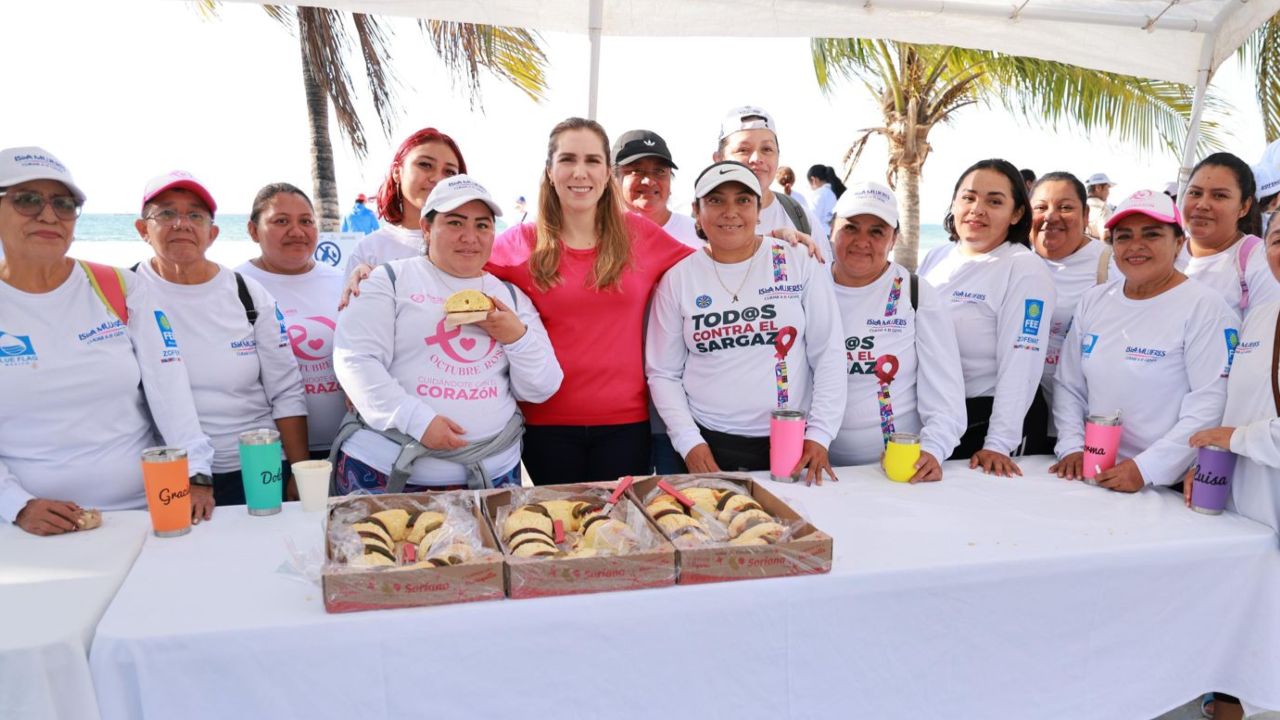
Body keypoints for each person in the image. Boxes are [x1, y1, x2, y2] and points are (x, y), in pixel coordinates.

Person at [0, 147, 214, 534]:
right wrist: (17, 505)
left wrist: (197, 473)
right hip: (26, 528)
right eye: (27, 200)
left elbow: (170, 389)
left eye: (64, 204)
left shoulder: (117, 286)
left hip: (143, 512)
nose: (48, 215)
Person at [487, 118, 696, 484]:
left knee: (616, 535)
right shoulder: (519, 243)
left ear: (607, 173)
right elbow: (451, 270)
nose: (579, 172)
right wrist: (373, 274)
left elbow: (715, 263)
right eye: (567, 159)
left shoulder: (640, 235)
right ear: (550, 171)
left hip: (626, 424)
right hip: (544, 426)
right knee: (561, 535)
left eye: (592, 160)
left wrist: (779, 241)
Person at [332, 176, 562, 491]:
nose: (470, 237)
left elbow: (542, 387)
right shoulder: (387, 280)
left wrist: (516, 338)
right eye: (455, 223)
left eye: (483, 225)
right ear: (426, 228)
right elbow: (355, 361)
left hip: (492, 479)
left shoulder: (510, 296)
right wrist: (418, 421)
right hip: (387, 476)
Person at [647, 161, 846, 484]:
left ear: (758, 209)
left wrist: (820, 434)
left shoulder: (797, 260)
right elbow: (663, 372)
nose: (730, 211)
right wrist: (689, 442)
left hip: (793, 442)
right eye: (715, 200)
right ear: (697, 211)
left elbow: (828, 353)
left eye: (743, 199)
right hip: (708, 443)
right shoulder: (678, 279)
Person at [133, 170, 309, 506]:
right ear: (143, 229)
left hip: (260, 463)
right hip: (169, 471)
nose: (181, 224)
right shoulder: (123, 294)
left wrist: (299, 471)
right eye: (166, 213)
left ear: (212, 233)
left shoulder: (246, 292)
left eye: (195, 215)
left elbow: (286, 388)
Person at [1051, 190, 1234, 492]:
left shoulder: (1205, 308)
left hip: (1165, 485)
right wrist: (1071, 446)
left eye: (1151, 235)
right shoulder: (1094, 300)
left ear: (1178, 243)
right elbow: (1068, 384)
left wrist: (1146, 468)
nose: (1136, 246)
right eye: (1123, 237)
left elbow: (1208, 405)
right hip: (1093, 472)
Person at [918, 158, 1057, 476]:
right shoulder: (936, 257)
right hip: (938, 416)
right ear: (954, 203)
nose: (977, 209)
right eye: (968, 197)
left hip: (990, 421)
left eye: (994, 201)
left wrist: (998, 442)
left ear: (1017, 213)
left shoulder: (1023, 269)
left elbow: (1022, 361)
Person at [826, 182, 966, 477]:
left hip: (893, 469)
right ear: (830, 229)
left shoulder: (916, 293)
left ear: (894, 238)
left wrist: (934, 449)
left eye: (877, 231)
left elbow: (946, 391)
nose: (862, 241)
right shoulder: (808, 287)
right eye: (850, 227)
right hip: (816, 467)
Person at [236, 183, 346, 457]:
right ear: (253, 230)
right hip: (270, 452)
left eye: (306, 221)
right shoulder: (233, 287)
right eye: (281, 221)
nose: (296, 232)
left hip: (347, 446)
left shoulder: (342, 280)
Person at [1029, 171, 1114, 452]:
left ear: (1086, 214)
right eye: (1041, 207)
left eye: (1065, 207)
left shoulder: (1110, 264)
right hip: (1021, 420)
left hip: (1086, 425)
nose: (1051, 216)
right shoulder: (1017, 260)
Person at [345, 127, 465, 275]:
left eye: (450, 172)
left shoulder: (474, 246)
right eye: (425, 165)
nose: (437, 179)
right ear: (397, 172)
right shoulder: (369, 250)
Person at [716, 106, 831, 256]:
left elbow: (824, 276)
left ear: (778, 157)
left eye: (767, 149)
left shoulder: (801, 219)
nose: (757, 159)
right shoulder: (700, 224)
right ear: (718, 159)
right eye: (743, 150)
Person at [1180, 152, 1280, 318]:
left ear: (1244, 207)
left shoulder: (1262, 262)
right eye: (1195, 193)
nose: (1202, 204)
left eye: (1219, 195)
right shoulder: (1165, 254)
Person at [612, 129, 700, 247]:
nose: (649, 181)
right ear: (612, 178)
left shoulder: (698, 236)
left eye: (659, 171)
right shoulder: (595, 234)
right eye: (636, 171)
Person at [1084, 172, 1116, 240]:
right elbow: (1105, 236)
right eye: (1107, 188)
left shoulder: (1080, 207)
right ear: (1098, 188)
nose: (1108, 193)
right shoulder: (1103, 209)